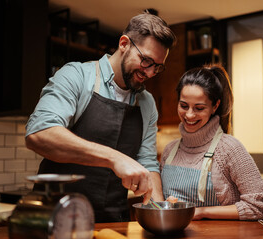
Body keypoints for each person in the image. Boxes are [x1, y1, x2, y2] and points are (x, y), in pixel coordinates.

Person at [25, 12, 176, 223]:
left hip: (111, 220)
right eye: (146, 61)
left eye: (157, 67)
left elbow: (147, 163)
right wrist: (115, 158)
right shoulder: (76, 76)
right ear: (124, 44)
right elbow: (40, 134)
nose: (150, 73)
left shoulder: (147, 103)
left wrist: (160, 215)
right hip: (54, 218)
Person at [160, 64, 263, 220]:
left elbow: (260, 205)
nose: (189, 115)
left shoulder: (229, 149)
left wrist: (202, 212)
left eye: (199, 108)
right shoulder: (169, 150)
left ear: (215, 106)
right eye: (184, 106)